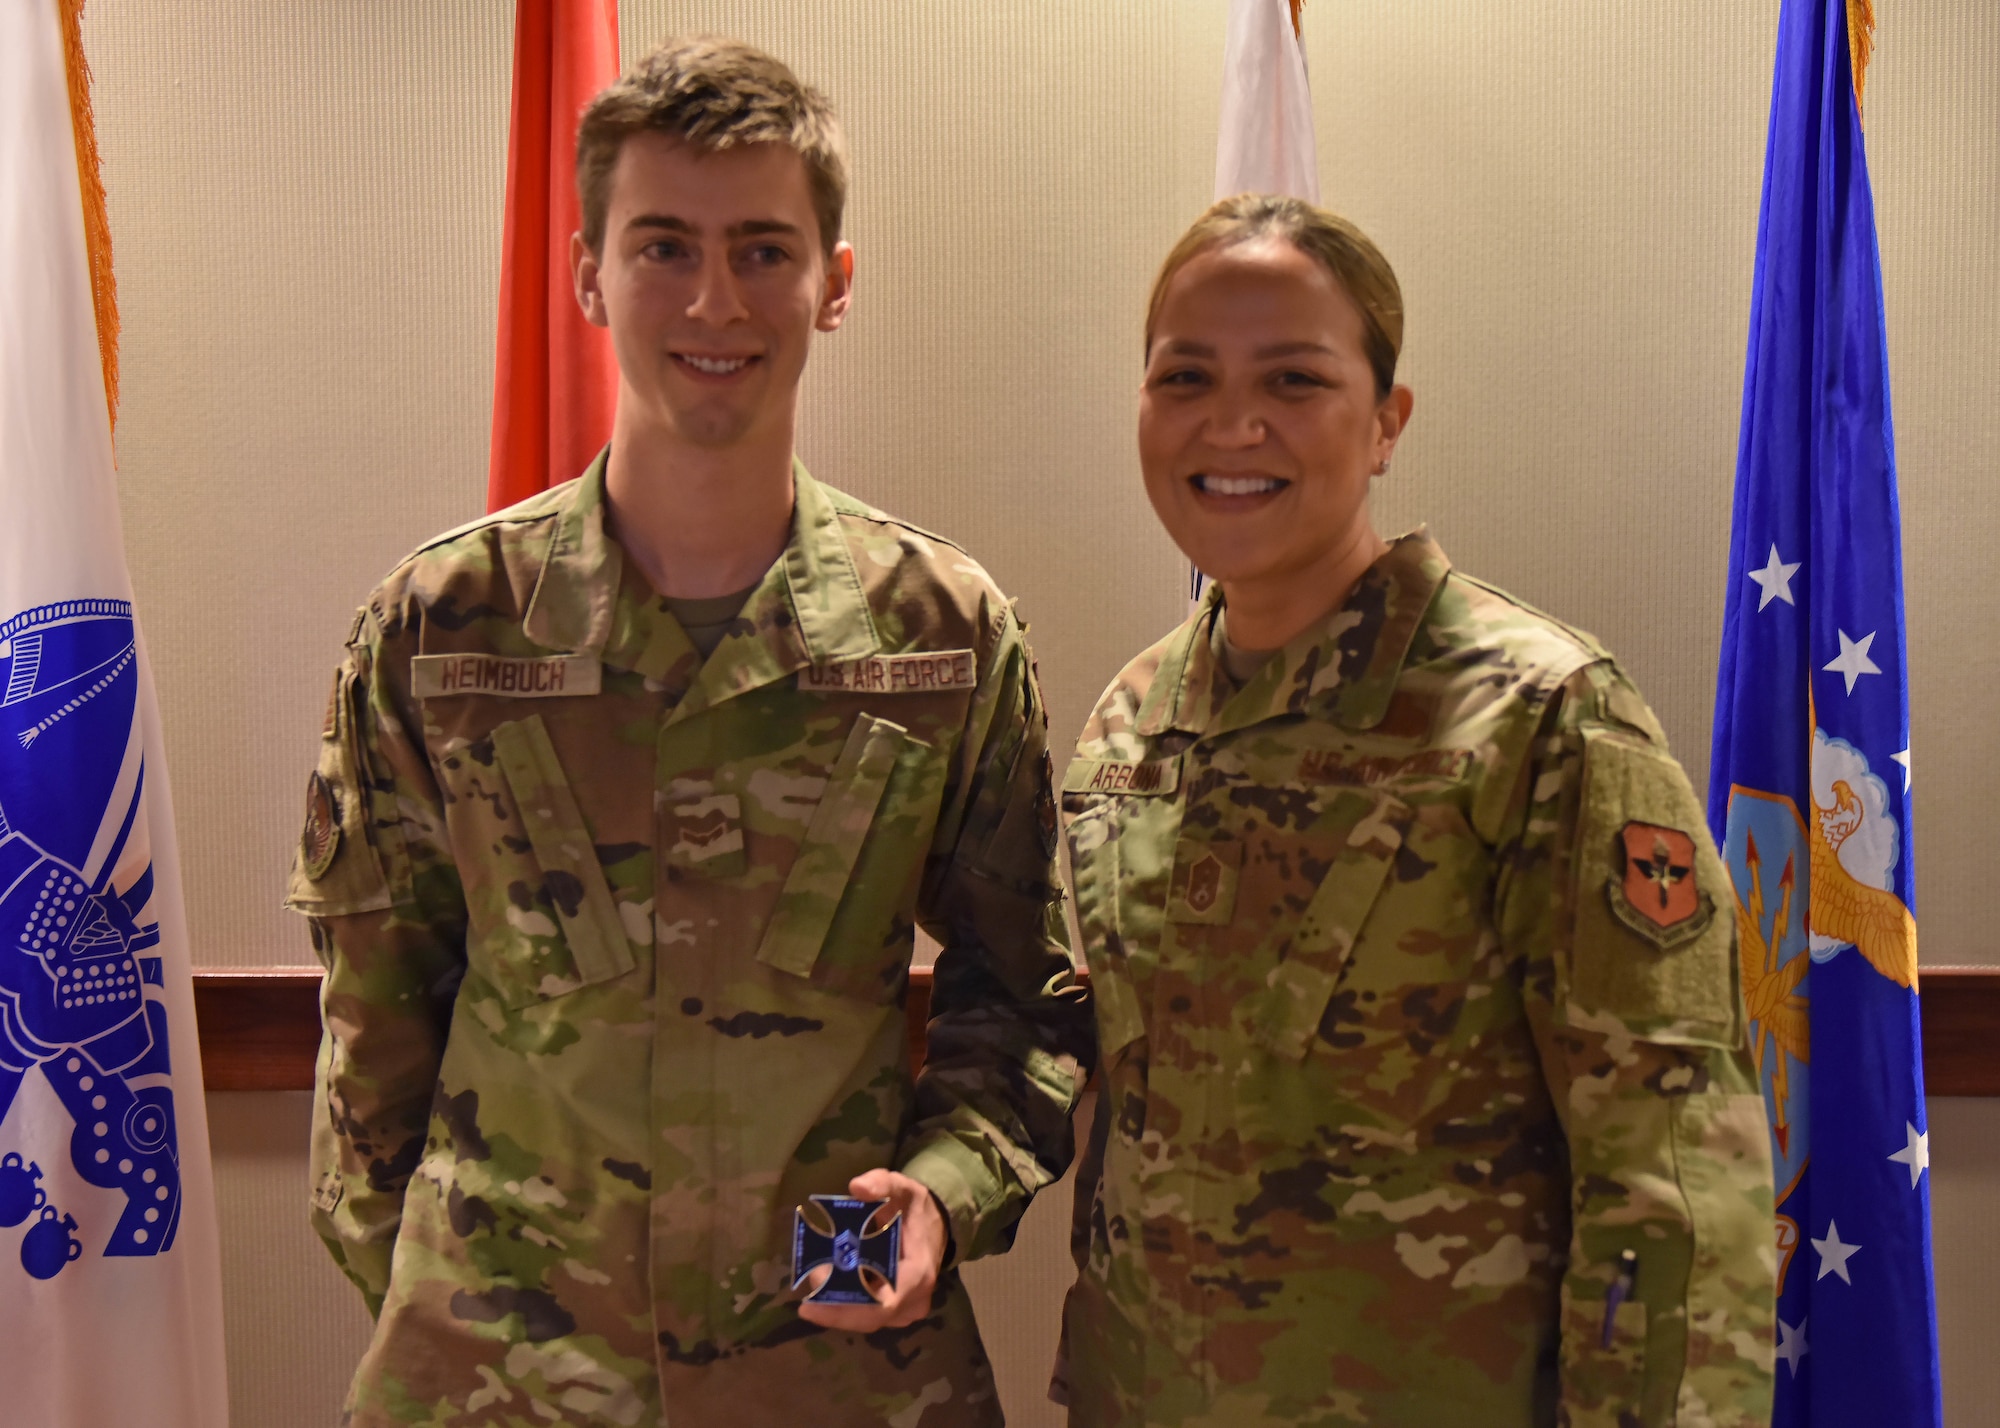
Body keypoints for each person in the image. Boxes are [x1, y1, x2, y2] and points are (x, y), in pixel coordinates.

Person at [286, 36, 1090, 1427]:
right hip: (498, 1381)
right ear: (587, 271)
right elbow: (375, 1029)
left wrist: (944, 1195)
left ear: (835, 284)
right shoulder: (444, 630)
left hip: (831, 1373)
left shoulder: (943, 640)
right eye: (663, 245)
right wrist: (464, 1308)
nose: (715, 297)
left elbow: (1021, 1005)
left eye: (764, 249)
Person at [1052, 195, 1775, 1427]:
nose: (1232, 423)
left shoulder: (1536, 717)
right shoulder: (1131, 722)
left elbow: (1670, 1185)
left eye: (1293, 378)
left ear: (1385, 423)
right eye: (1184, 376)